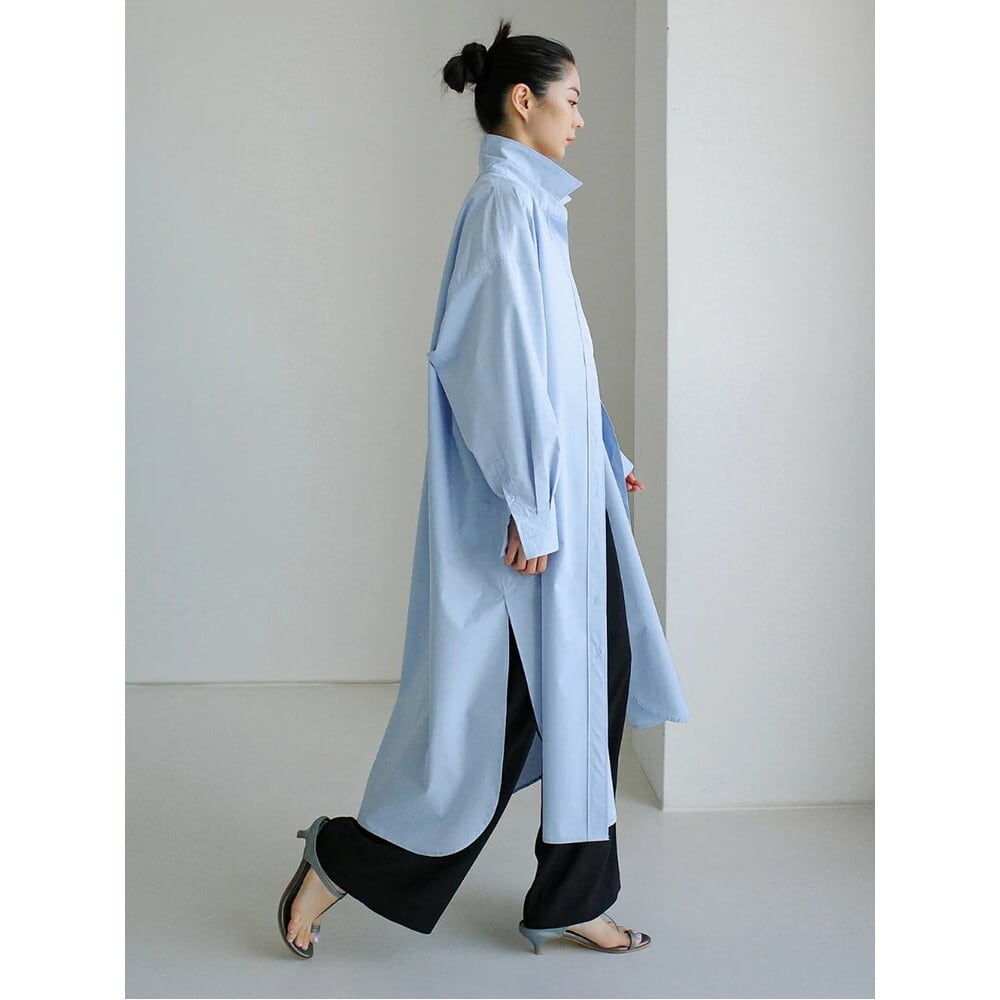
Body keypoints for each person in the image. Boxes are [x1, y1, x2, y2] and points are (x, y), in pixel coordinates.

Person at [278, 18, 689, 959]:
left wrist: (602, 449)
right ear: (523, 100)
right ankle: (341, 860)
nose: (580, 119)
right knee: (502, 713)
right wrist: (532, 504)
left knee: (587, 681)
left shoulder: (531, 205)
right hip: (530, 513)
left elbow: (557, 364)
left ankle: (570, 893)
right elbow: (490, 369)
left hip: (566, 495)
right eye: (572, 100)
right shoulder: (506, 206)